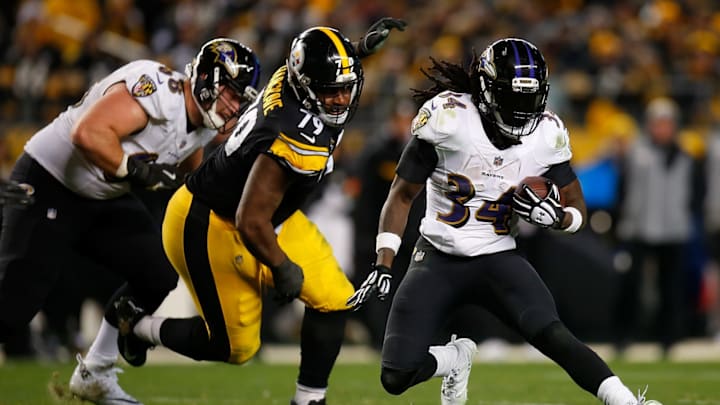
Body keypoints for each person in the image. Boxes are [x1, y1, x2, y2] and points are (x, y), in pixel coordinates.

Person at [346, 38, 661, 405]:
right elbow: (401, 194)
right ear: (486, 91)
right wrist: (384, 263)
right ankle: (455, 358)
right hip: (437, 256)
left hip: (499, 256)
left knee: (553, 335)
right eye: (513, 98)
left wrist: (560, 218)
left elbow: (576, 202)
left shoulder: (545, 134)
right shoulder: (449, 120)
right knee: (395, 376)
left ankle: (627, 402)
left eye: (530, 100)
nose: (522, 110)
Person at [111, 20, 406, 405]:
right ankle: (138, 327)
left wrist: (358, 48)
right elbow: (251, 221)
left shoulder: (293, 76)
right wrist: (282, 267)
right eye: (331, 91)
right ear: (308, 86)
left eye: (346, 88)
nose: (341, 99)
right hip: (211, 221)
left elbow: (317, 64)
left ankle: (308, 400)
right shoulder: (292, 134)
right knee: (236, 348)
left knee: (335, 298)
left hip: (270, 214)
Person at [0, 37, 261, 405]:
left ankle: (96, 371)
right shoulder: (158, 89)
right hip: (49, 183)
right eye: (231, 93)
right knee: (11, 311)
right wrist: (136, 171)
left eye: (240, 99)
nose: (234, 106)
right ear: (206, 78)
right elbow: (88, 133)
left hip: (99, 196)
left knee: (156, 269)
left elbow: (190, 183)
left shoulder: (200, 124)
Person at [612, 97, 703, 356]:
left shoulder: (685, 156)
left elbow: (696, 194)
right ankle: (623, 337)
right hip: (637, 229)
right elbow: (622, 190)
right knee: (629, 286)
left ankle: (668, 339)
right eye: (657, 124)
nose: (662, 129)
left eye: (666, 124)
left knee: (671, 289)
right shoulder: (635, 154)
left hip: (673, 230)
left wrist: (687, 219)